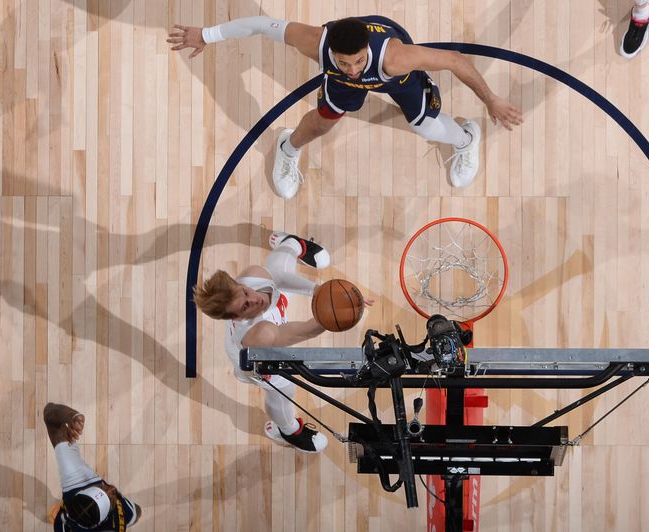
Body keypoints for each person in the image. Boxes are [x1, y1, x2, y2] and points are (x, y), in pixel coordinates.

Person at [168, 15, 523, 196]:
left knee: (424, 124)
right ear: (332, 52)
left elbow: (456, 61)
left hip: (392, 78)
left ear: (366, 48)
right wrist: (207, 35)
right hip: (342, 85)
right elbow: (262, 24)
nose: (353, 68)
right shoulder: (316, 44)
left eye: (357, 61)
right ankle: (287, 147)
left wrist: (491, 99)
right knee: (323, 121)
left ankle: (466, 139)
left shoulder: (397, 58)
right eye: (344, 61)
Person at [192, 231, 371, 453]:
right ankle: (288, 431)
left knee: (281, 261)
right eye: (245, 306)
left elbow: (279, 279)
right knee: (283, 388)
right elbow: (305, 331)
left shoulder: (251, 276)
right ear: (236, 317)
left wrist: (321, 291)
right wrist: (344, 308)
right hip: (258, 359)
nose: (255, 299)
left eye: (245, 292)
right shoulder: (260, 335)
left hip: (271, 322)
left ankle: (294, 244)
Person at [44, 402, 142, 531]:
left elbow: (49, 412)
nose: (111, 489)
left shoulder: (63, 525)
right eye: (109, 497)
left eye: (102, 488)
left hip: (75, 484)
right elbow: (138, 512)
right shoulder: (126, 516)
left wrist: (69, 416)